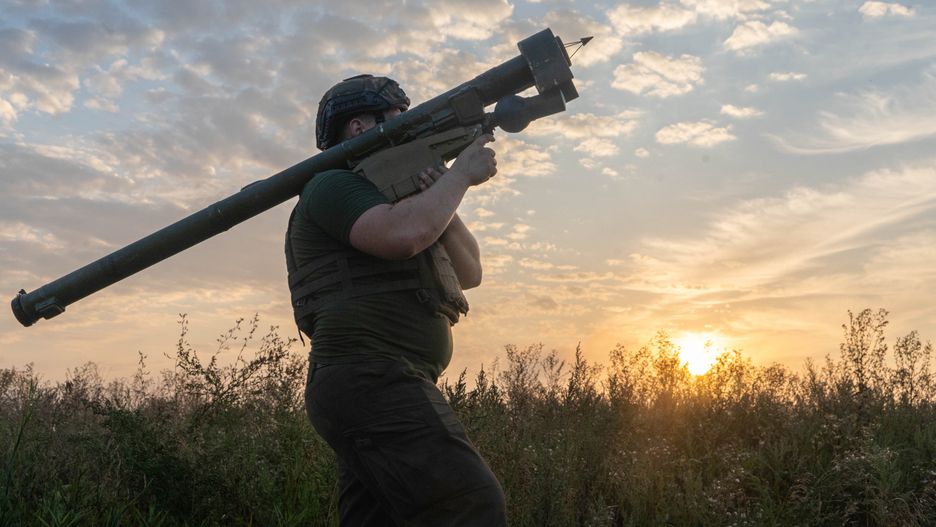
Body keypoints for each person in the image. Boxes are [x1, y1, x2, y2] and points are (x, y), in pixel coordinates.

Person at [285, 74, 506, 526]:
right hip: (370, 378)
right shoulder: (332, 185)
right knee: (471, 503)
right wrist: (460, 175)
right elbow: (402, 236)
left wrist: (440, 192)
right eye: (398, 119)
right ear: (359, 127)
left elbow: (470, 272)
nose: (409, 128)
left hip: (381, 381)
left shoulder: (400, 199)